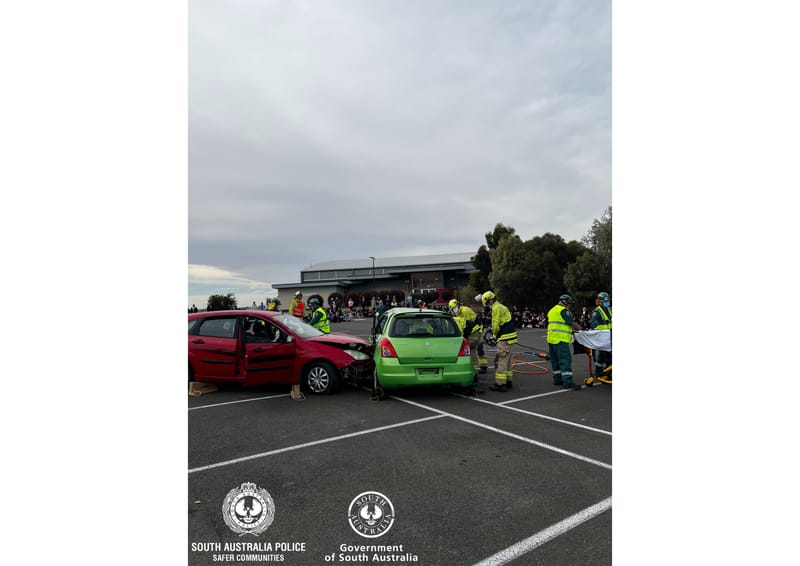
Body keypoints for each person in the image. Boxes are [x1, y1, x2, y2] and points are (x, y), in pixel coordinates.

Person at [481, 291, 518, 391]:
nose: (487, 306)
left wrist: (493, 335)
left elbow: (496, 325)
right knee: (507, 360)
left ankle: (500, 384)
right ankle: (508, 381)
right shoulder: (502, 306)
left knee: (501, 361)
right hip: (511, 337)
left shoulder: (496, 308)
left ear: (490, 300)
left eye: (487, 303)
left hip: (505, 338)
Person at [547, 294, 584, 390]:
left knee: (555, 360)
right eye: (569, 304)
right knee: (565, 360)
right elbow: (572, 323)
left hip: (551, 339)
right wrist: (583, 330)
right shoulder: (563, 311)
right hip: (561, 340)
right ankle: (568, 382)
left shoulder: (552, 310)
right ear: (565, 302)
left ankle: (557, 379)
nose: (569, 306)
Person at [449, 299, 488, 374]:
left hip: (477, 329)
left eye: (454, 308)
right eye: (453, 309)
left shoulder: (465, 311)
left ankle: (483, 366)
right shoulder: (458, 313)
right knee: (474, 349)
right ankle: (479, 366)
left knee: (479, 348)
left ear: (458, 305)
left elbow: (467, 324)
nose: (454, 311)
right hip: (472, 330)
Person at [589, 291, 612, 376]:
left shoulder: (608, 310)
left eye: (608, 301)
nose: (607, 303)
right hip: (602, 337)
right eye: (605, 302)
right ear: (601, 302)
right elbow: (592, 324)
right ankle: (599, 372)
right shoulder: (597, 311)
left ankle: (608, 370)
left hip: (609, 336)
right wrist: (600, 331)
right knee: (602, 355)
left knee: (608, 355)